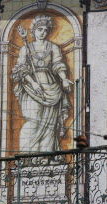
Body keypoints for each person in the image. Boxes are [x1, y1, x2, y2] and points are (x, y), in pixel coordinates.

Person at [12, 15, 72, 152]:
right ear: (33, 31)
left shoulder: (53, 47)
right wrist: (33, 83)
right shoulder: (25, 49)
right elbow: (20, 69)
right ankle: (28, 155)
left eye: (45, 30)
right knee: (33, 121)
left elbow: (58, 64)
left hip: (52, 87)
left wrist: (63, 79)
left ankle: (46, 157)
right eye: (40, 29)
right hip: (31, 89)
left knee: (50, 125)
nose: (43, 32)